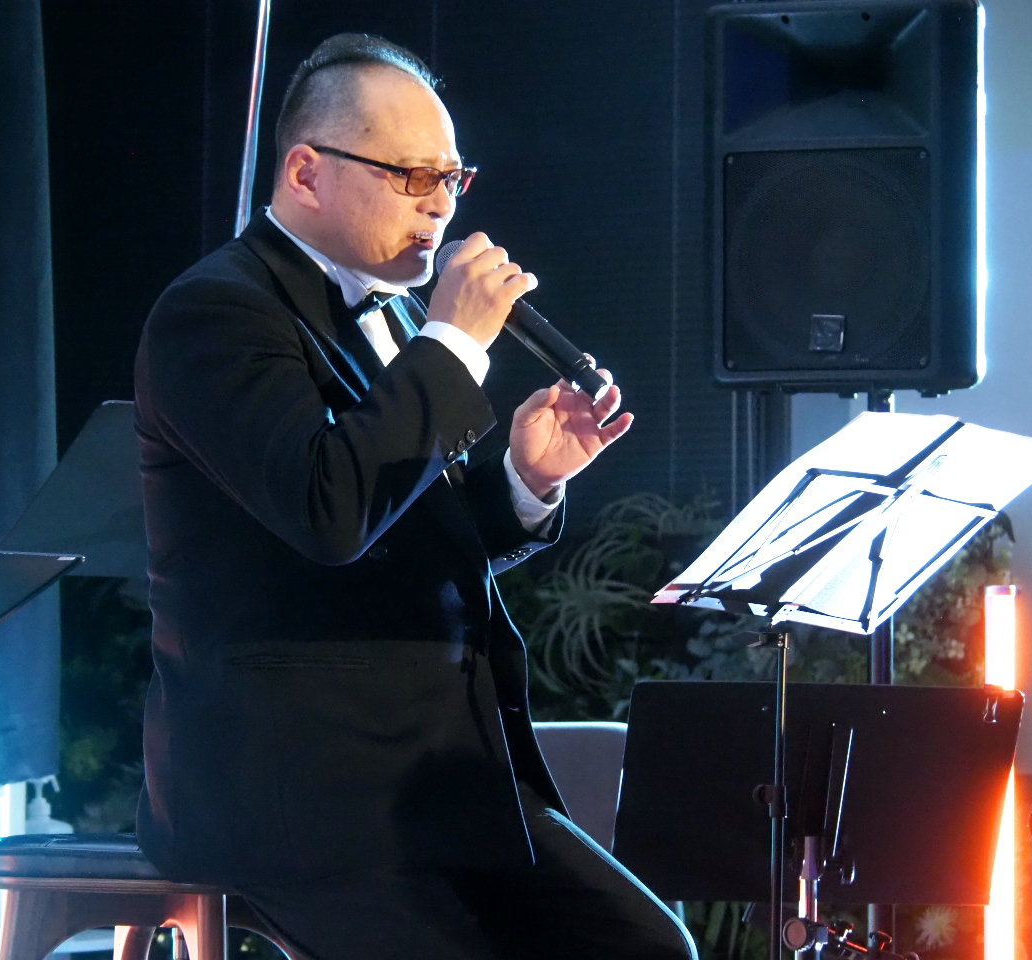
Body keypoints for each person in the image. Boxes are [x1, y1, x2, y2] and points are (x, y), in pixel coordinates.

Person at [133, 32, 695, 960]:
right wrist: (455, 345)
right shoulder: (217, 313)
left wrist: (524, 480)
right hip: (304, 793)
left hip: (439, 778)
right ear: (306, 173)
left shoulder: (394, 313)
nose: (440, 204)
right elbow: (329, 514)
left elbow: (409, 538)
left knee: (651, 948)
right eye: (411, 176)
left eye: (452, 178)